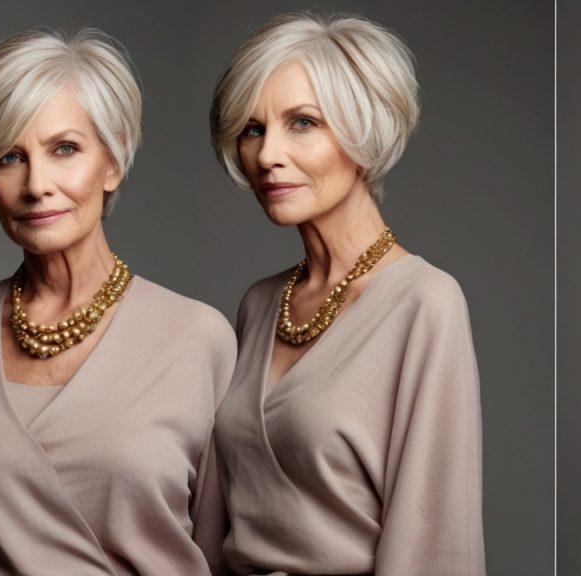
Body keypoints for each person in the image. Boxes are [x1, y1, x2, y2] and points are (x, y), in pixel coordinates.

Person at [0, 29, 235, 575]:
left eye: (65, 149)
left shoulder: (198, 338)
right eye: (9, 157)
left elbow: (224, 556)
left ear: (113, 161)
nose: (37, 185)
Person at [209, 13, 485, 576]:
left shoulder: (424, 301)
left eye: (303, 123)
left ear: (364, 134)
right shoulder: (260, 305)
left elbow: (434, 538)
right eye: (253, 128)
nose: (266, 155)